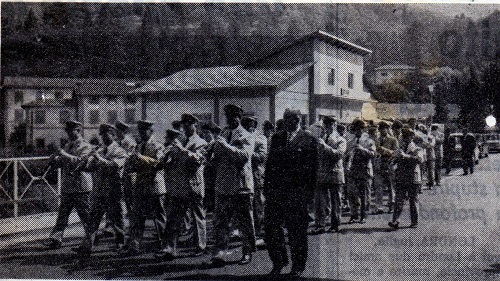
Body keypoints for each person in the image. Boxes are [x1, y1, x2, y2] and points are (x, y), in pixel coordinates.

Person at [264, 109, 318, 277]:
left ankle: (298, 266)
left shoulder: (309, 140)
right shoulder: (277, 138)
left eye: (294, 119)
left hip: (297, 194)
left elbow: (313, 170)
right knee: (272, 229)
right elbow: (270, 165)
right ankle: (278, 262)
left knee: (297, 232)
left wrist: (309, 195)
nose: (290, 122)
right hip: (276, 192)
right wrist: (267, 188)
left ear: (299, 120)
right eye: (287, 119)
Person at [208, 104, 256, 266]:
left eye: (234, 116)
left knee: (245, 221)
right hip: (223, 184)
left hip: (240, 186)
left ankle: (247, 251)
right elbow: (215, 157)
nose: (230, 119)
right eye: (228, 116)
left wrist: (225, 146)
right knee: (220, 221)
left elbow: (243, 156)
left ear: (239, 118)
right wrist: (213, 152)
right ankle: (220, 252)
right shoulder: (224, 133)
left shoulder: (246, 135)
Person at [156, 114, 208, 260]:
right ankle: (169, 248)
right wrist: (167, 156)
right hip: (179, 186)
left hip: (193, 185)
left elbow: (196, 160)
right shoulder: (180, 141)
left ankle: (200, 246)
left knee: (197, 217)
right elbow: (169, 163)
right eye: (184, 125)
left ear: (195, 125)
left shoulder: (201, 142)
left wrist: (181, 150)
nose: (185, 127)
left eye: (188, 124)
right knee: (173, 218)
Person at [75, 124, 127, 257]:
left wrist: (97, 157)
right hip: (98, 190)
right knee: (93, 219)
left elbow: (114, 166)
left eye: (106, 134)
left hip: (112, 190)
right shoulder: (100, 149)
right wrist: (84, 165)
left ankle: (121, 243)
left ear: (113, 135)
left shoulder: (119, 150)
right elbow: (91, 168)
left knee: (117, 219)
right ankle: (86, 246)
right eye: (102, 134)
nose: (103, 137)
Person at [42, 121, 93, 249]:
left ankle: (90, 239)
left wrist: (63, 154)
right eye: (67, 130)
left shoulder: (86, 146)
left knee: (85, 216)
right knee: (62, 215)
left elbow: (80, 162)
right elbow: (61, 162)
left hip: (81, 186)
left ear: (78, 130)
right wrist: (54, 158)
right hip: (68, 186)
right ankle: (56, 239)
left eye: (71, 130)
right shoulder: (67, 145)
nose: (68, 133)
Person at [119, 120, 166, 256]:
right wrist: (131, 162)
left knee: (159, 218)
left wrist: (141, 158)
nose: (141, 133)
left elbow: (158, 163)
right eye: (140, 130)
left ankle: (164, 245)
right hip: (140, 186)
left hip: (155, 186)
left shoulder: (158, 146)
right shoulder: (138, 147)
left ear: (151, 131)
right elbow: (134, 165)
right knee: (137, 217)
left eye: (144, 130)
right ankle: (134, 245)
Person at [312, 115, 346, 234]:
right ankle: (320, 225)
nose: (327, 127)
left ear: (335, 125)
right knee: (320, 201)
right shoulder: (321, 138)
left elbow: (338, 155)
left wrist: (324, 146)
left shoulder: (340, 139)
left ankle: (335, 224)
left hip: (335, 174)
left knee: (335, 201)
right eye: (325, 125)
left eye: (330, 124)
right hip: (322, 174)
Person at [388, 127, 424, 229]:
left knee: (413, 200)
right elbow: (393, 160)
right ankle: (395, 221)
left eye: (408, 136)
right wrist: (393, 160)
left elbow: (419, 159)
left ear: (412, 137)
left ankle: (414, 221)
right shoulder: (400, 149)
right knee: (398, 200)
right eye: (404, 136)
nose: (406, 138)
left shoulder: (417, 148)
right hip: (401, 177)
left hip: (413, 178)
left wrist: (405, 156)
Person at [241, 116, 268, 242]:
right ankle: (248, 232)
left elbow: (262, 156)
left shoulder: (260, 138)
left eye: (251, 125)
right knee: (246, 206)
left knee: (259, 204)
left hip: (256, 175)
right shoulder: (242, 137)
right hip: (244, 176)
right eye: (246, 125)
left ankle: (261, 232)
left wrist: (247, 152)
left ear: (255, 126)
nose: (249, 127)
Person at [346, 119, 376, 224]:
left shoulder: (369, 141)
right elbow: (346, 155)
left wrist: (362, 149)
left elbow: (373, 154)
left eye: (359, 129)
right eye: (355, 129)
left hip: (365, 171)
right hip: (353, 171)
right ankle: (354, 215)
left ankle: (363, 216)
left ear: (362, 129)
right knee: (352, 194)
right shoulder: (351, 141)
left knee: (365, 196)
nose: (356, 131)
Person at [375, 121, 399, 213]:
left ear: (388, 129)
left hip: (389, 164)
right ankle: (379, 207)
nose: (382, 131)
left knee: (391, 186)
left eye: (384, 129)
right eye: (381, 129)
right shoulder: (376, 140)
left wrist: (385, 150)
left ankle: (392, 205)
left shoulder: (393, 139)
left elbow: (396, 152)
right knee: (378, 186)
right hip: (379, 164)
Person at [115, 120, 137, 216]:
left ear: (123, 131)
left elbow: (129, 157)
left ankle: (133, 219)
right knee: (119, 198)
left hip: (128, 173)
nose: (116, 133)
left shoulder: (130, 142)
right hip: (118, 174)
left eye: (118, 131)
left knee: (130, 197)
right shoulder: (116, 142)